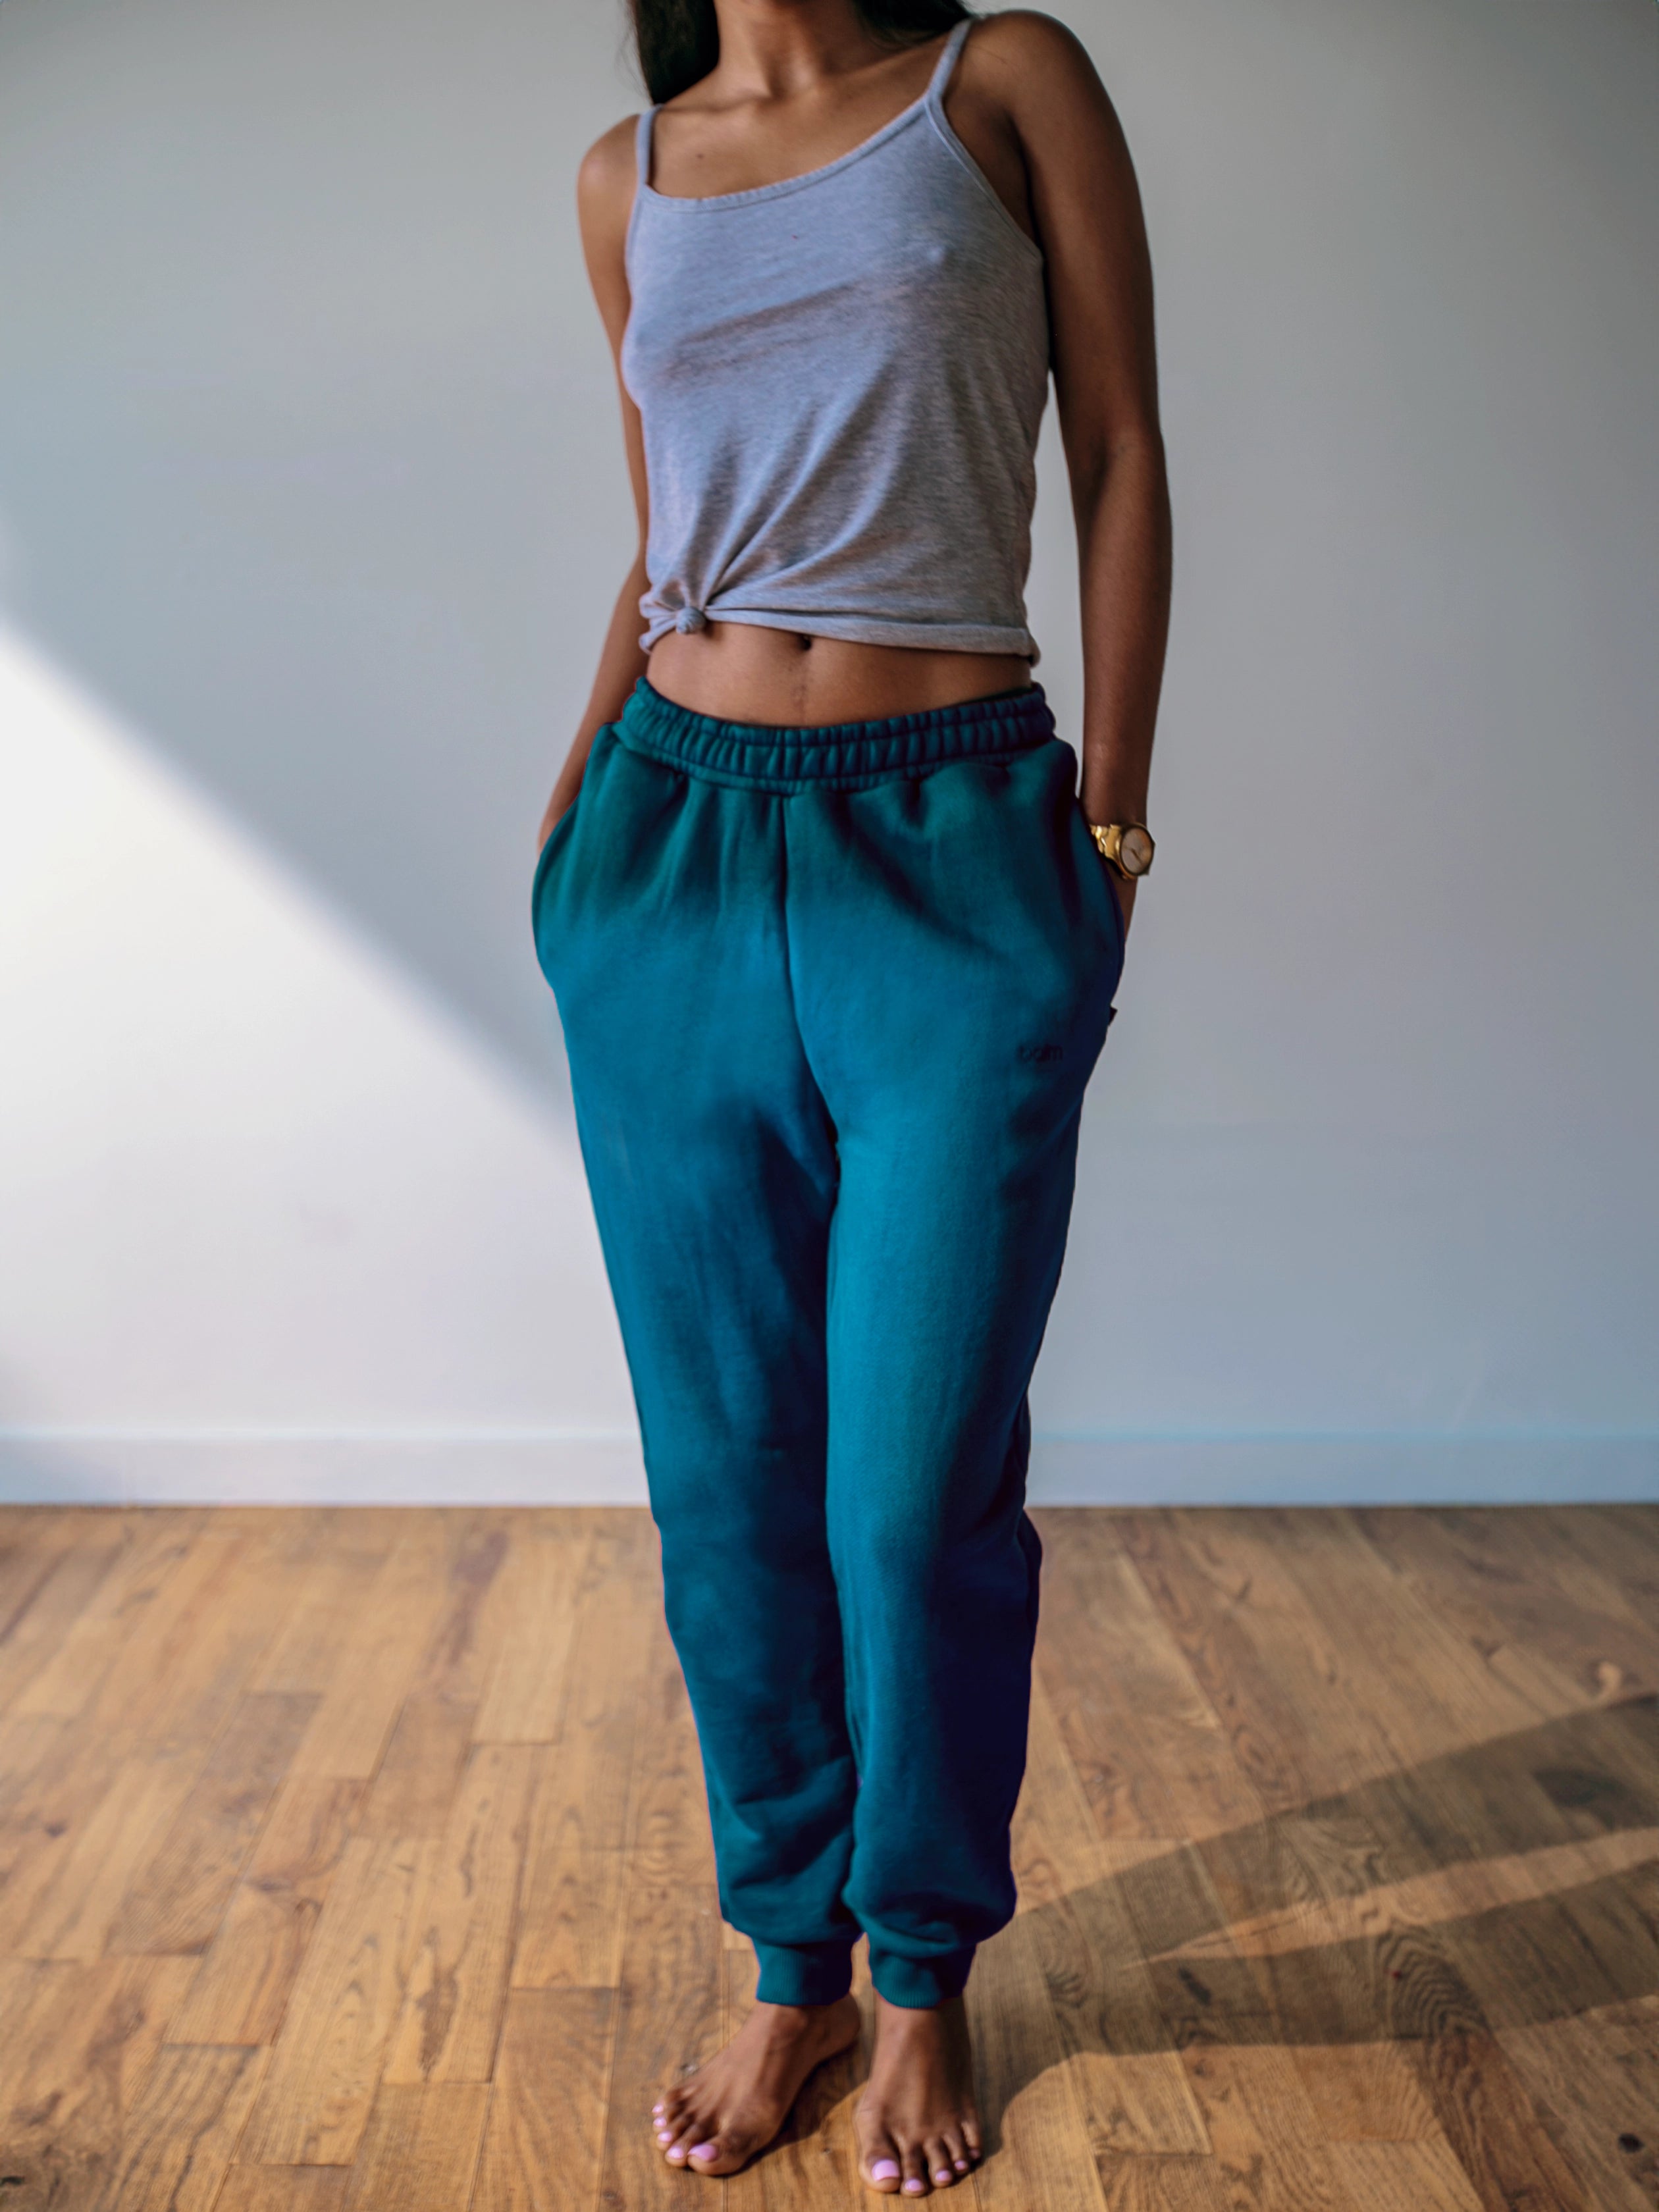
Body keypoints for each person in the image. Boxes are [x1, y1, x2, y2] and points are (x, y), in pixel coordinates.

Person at [533, 0, 1169, 2193]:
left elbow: (1120, 452)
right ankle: (788, 1964)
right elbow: (665, 530)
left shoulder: (1002, 80)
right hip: (674, 848)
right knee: (728, 1487)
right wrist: (568, 850)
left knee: (909, 1497)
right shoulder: (629, 173)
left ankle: (922, 1974)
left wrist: (1113, 820)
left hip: (954, 836)